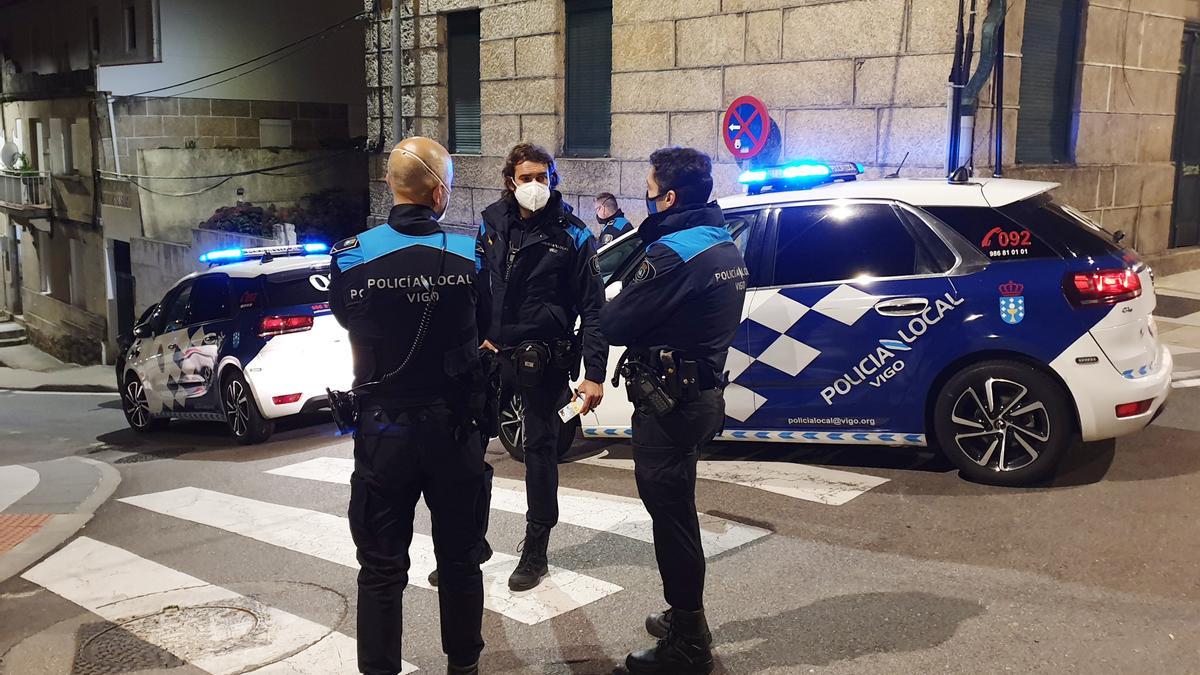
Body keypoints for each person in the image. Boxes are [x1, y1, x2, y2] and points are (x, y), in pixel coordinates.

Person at [330, 137, 490, 675]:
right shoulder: (471, 252)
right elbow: (488, 326)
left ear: (390, 186)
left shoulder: (351, 254)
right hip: (455, 429)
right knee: (461, 561)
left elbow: (346, 320)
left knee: (380, 569)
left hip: (383, 432)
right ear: (440, 191)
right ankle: (463, 667)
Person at [599, 147, 748, 674]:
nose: (644, 194)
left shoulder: (672, 253)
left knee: (673, 521)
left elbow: (615, 323)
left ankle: (687, 641)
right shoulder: (720, 241)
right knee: (678, 513)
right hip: (700, 396)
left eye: (648, 185)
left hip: (669, 406)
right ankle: (686, 618)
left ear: (668, 195)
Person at [477, 142, 608, 591]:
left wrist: (594, 373)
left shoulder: (573, 234)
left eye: (542, 177)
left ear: (553, 179)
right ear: (510, 181)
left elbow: (593, 309)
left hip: (544, 359)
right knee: (470, 447)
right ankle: (472, 541)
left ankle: (535, 550)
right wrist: (477, 334)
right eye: (525, 177)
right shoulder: (492, 222)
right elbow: (479, 284)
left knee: (540, 455)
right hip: (493, 356)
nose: (534, 185)